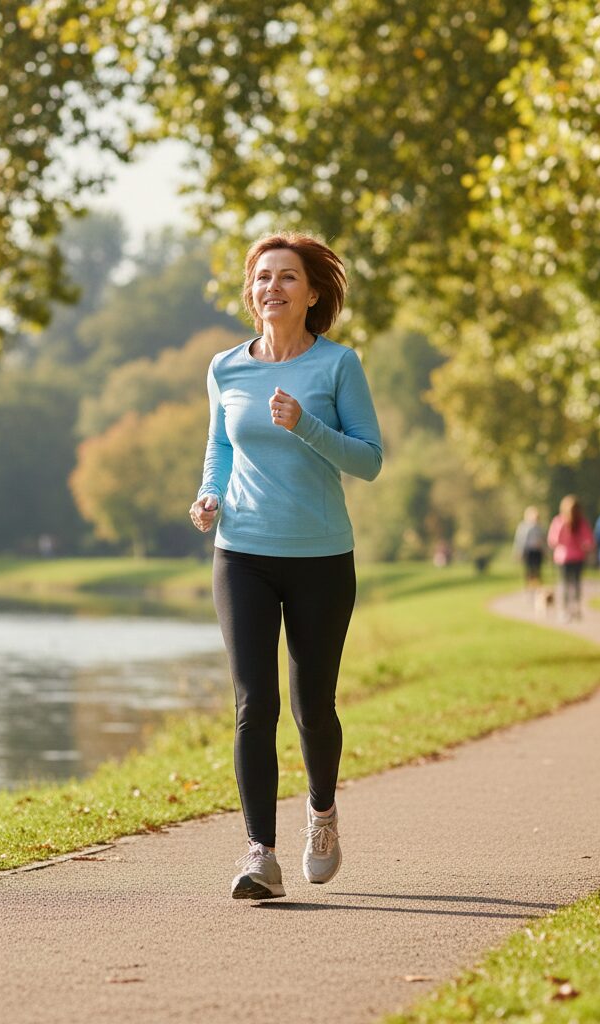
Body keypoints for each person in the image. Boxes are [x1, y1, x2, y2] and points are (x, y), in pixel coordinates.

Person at [189, 232, 383, 900]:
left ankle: (322, 815)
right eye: (261, 277)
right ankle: (259, 855)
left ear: (313, 293)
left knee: (313, 707)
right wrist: (208, 493)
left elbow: (369, 459)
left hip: (320, 558)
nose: (272, 287)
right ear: (251, 291)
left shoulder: (337, 366)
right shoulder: (226, 368)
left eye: (287, 277)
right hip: (241, 552)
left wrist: (306, 426)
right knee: (253, 705)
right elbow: (220, 444)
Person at [547, 495, 595, 621]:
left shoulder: (579, 522)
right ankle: (570, 609)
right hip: (567, 558)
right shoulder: (560, 521)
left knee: (568, 584)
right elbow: (554, 540)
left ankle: (571, 609)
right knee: (571, 584)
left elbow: (552, 541)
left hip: (571, 557)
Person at [513, 506, 546, 592]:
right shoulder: (523, 527)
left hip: (537, 552)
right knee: (529, 571)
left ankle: (538, 588)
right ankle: (529, 588)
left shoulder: (540, 527)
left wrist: (545, 550)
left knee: (537, 571)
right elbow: (519, 540)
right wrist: (518, 552)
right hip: (528, 551)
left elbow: (543, 540)